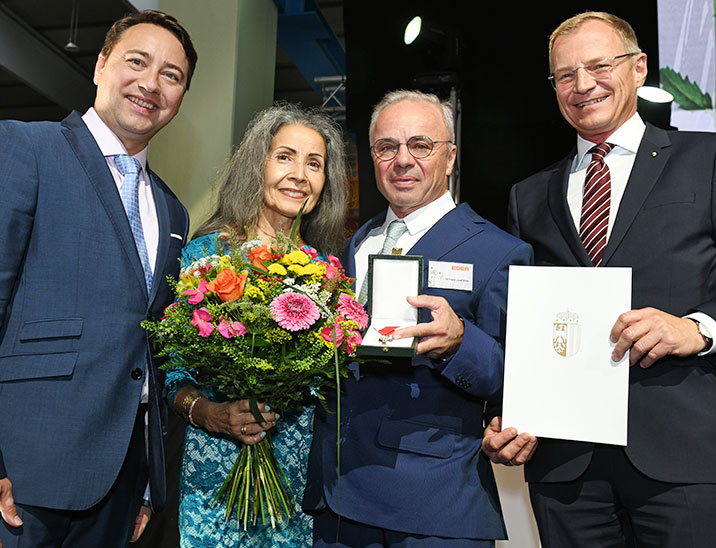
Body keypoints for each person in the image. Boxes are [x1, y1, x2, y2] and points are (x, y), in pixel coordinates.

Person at [484, 11, 716, 548]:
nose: (582, 85)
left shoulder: (711, 159)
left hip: (684, 453)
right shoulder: (529, 195)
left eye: (599, 65)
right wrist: (506, 411)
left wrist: (701, 328)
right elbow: (519, 324)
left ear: (639, 68)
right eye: (565, 75)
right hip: (565, 465)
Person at [0, 9, 196, 548]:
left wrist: (149, 484)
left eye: (172, 76)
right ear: (101, 65)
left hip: (121, 485)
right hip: (24, 475)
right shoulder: (25, 148)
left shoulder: (172, 211)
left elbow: (149, 352)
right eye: (137, 61)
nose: (151, 84)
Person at [303, 90, 533, 547]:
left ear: (449, 158)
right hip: (338, 497)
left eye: (420, 145)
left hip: (433, 503)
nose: (402, 160)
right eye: (387, 147)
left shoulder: (500, 252)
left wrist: (461, 340)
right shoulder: (356, 243)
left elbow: (520, 378)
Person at [166, 102, 348, 547]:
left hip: (296, 480)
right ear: (257, 165)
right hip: (214, 473)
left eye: (314, 164)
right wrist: (209, 413)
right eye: (284, 156)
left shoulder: (329, 275)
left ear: (325, 184)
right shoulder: (206, 258)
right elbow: (171, 373)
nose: (299, 174)